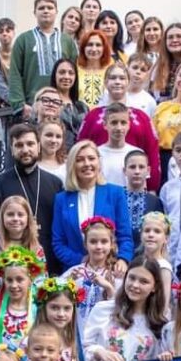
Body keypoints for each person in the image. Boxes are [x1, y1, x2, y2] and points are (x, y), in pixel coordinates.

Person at [0, 123, 63, 278]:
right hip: (8, 273)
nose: (25, 150)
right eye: (19, 145)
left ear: (38, 146)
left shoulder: (54, 183)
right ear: (12, 149)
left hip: (49, 267)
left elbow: (62, 231)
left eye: (30, 144)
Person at [52, 140, 134, 271]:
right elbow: (58, 243)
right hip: (75, 272)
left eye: (91, 158)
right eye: (80, 160)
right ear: (72, 164)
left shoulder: (115, 193)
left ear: (99, 162)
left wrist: (123, 259)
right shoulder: (62, 199)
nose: (87, 164)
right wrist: (82, 261)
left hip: (110, 270)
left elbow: (125, 236)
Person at [78, 63, 161, 192]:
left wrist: (152, 187)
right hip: (98, 185)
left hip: (134, 187)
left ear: (128, 82)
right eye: (113, 78)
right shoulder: (92, 117)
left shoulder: (142, 118)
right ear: (105, 82)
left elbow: (152, 152)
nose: (117, 82)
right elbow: (80, 149)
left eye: (122, 78)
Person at [8, 0, 78, 118]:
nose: (46, 11)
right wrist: (20, 104)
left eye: (50, 8)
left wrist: (73, 101)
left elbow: (75, 73)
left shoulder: (67, 41)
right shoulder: (23, 40)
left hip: (62, 106)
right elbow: (15, 74)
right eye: (41, 8)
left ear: (56, 12)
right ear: (34, 12)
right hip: (33, 106)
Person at [0, 195, 47, 305]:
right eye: (10, 214)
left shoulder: (35, 246)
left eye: (20, 215)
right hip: (0, 303)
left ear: (28, 218)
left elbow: (40, 278)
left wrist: (35, 302)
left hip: (28, 304)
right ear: (2, 217)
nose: (15, 218)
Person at [61, 215, 120, 330]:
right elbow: (57, 299)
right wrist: (68, 282)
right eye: (93, 242)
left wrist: (108, 287)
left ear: (111, 244)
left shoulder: (115, 275)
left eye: (104, 242)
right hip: (76, 331)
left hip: (103, 333)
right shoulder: (75, 271)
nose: (98, 246)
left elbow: (120, 309)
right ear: (85, 244)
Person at [124, 151, 164, 249]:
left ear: (148, 170)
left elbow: (160, 230)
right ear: (124, 170)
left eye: (141, 167)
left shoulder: (155, 201)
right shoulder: (116, 197)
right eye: (132, 167)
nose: (137, 171)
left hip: (146, 255)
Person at [49, 58, 88, 151]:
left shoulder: (82, 107)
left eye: (71, 73)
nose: (66, 76)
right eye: (62, 72)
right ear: (55, 75)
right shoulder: (47, 104)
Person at [139, 211, 172, 316]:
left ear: (165, 239)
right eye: (147, 231)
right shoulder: (138, 262)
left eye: (157, 231)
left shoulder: (163, 267)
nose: (151, 235)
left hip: (153, 316)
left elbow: (164, 302)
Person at [97, 103, 139, 187]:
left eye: (123, 123)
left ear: (129, 125)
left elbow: (141, 186)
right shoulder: (96, 153)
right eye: (114, 123)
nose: (119, 128)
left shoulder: (137, 154)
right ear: (105, 125)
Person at [77, 30, 112, 107]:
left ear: (104, 48)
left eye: (98, 45)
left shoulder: (111, 70)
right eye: (89, 45)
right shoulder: (74, 70)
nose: (93, 49)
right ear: (83, 48)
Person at [123, 53, 159, 118]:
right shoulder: (111, 93)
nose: (138, 72)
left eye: (143, 70)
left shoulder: (150, 101)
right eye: (135, 67)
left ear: (147, 74)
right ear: (127, 68)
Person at [0, 18, 15, 105]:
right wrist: (12, 101)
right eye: (1, 31)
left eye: (8, 31)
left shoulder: (20, 51)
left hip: (20, 98)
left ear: (13, 33)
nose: (4, 34)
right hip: (5, 102)